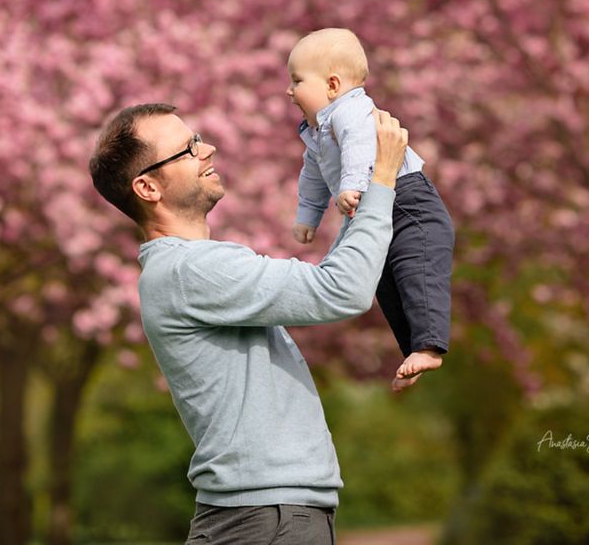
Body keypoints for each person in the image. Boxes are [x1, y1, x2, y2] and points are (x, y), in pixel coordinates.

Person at [88, 102, 409, 545]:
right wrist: (382, 180)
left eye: (198, 140)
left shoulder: (185, 271)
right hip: (267, 519)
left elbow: (334, 282)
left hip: (265, 516)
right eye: (188, 150)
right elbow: (343, 290)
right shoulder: (192, 271)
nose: (209, 150)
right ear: (147, 187)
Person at [287, 27, 456, 391]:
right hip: (375, 203)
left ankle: (428, 345)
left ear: (332, 85)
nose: (289, 91)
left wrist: (352, 185)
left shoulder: (352, 111)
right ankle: (414, 349)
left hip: (409, 202)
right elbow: (312, 177)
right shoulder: (316, 132)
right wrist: (307, 216)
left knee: (416, 269)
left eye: (297, 80)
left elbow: (361, 147)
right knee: (382, 280)